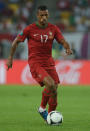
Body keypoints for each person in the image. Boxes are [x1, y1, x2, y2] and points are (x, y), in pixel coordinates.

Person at [6, 5, 72, 122]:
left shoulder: (53, 28)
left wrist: (67, 48)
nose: (44, 17)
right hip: (35, 62)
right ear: (37, 16)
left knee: (54, 89)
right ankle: (45, 111)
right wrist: (10, 58)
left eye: (46, 15)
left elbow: (63, 40)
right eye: (41, 15)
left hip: (49, 62)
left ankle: (49, 114)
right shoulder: (29, 29)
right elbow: (16, 41)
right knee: (50, 84)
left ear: (48, 15)